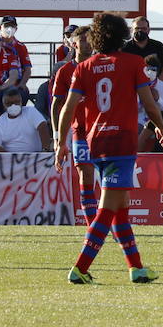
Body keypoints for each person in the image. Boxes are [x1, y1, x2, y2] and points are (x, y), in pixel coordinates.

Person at [57, 12, 163, 284]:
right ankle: (80, 268)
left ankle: (137, 268)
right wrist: (160, 126)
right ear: (122, 35)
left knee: (120, 208)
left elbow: (67, 108)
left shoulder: (84, 68)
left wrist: (61, 143)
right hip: (122, 141)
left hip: (96, 142)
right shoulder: (133, 62)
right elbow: (150, 103)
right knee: (108, 208)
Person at [51, 25, 98, 223]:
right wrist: (57, 137)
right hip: (80, 130)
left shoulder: (102, 66)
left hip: (104, 129)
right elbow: (56, 105)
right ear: (73, 43)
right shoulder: (65, 71)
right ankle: (93, 226)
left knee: (109, 181)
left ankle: (108, 222)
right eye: (83, 40)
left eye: (90, 39)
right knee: (85, 176)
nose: (87, 44)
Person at [0, 87, 51, 153]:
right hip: (10, 160)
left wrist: (45, 150)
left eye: (16, 102)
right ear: (4, 104)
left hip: (34, 157)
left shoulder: (31, 112)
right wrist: (12, 158)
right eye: (9, 103)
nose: (13, 105)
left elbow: (42, 126)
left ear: (21, 102)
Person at [0, 15, 33, 102]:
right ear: (0, 27)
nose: (9, 29)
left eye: (12, 26)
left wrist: (22, 83)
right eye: (6, 26)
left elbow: (27, 69)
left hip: (16, 84)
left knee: (22, 93)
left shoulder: (21, 47)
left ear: (16, 29)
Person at [137, 55, 163, 152]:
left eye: (153, 69)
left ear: (158, 71)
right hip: (139, 121)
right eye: (147, 69)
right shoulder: (136, 85)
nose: (150, 72)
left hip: (157, 120)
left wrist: (158, 99)